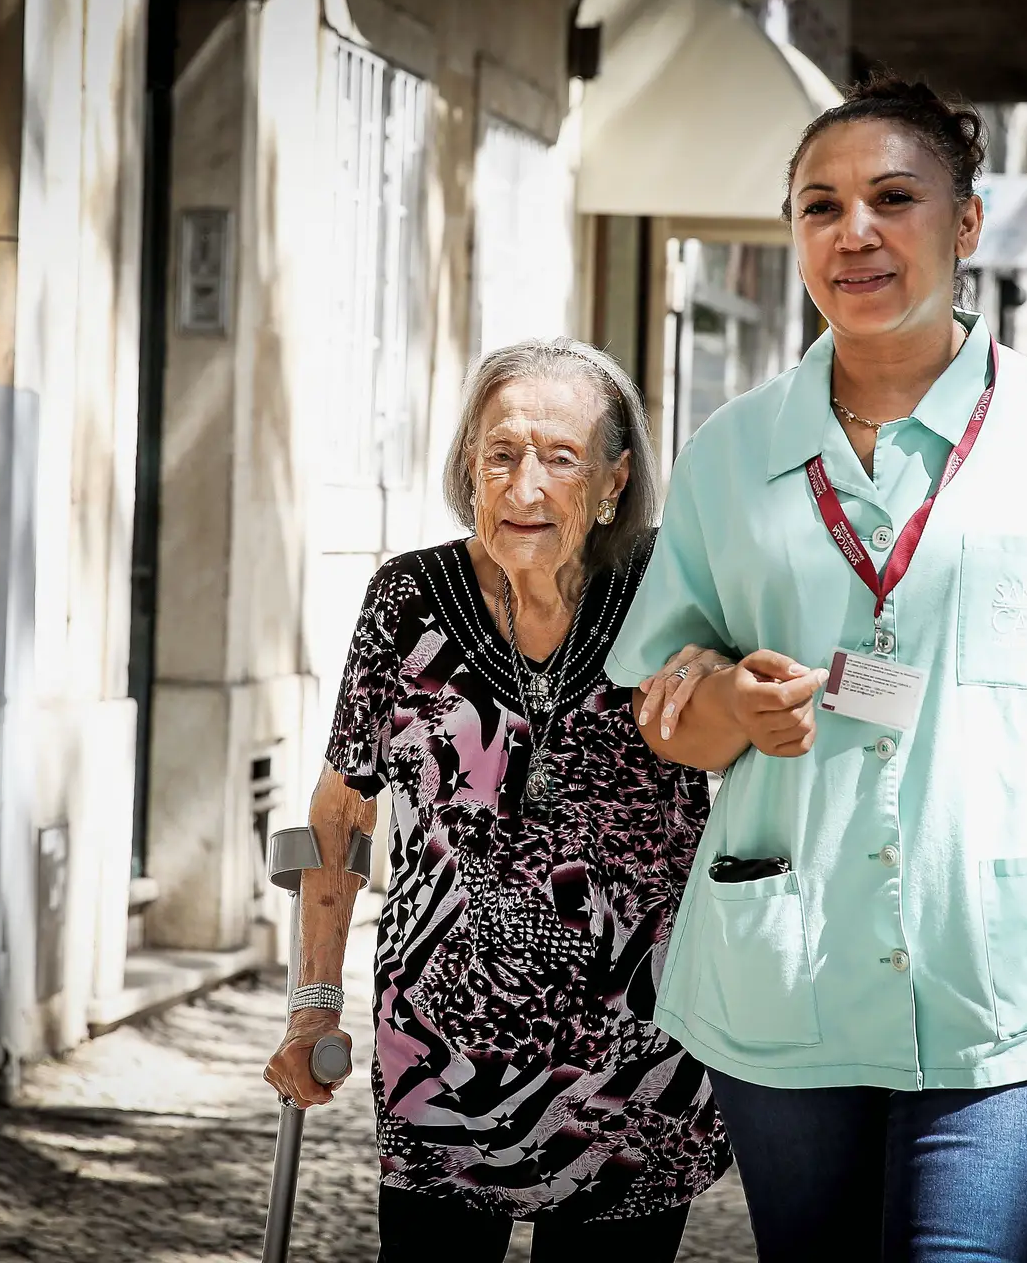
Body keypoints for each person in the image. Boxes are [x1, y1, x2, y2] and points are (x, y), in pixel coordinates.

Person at [606, 76, 1027, 1263]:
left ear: (967, 223)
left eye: (895, 197)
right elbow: (665, 713)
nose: (856, 232)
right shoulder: (730, 452)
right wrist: (729, 703)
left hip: (1012, 982)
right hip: (786, 971)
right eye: (819, 205)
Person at [264, 340, 729, 1262]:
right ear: (468, 466)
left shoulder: (671, 588)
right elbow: (343, 810)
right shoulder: (407, 600)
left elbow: (763, 722)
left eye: (559, 457)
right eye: (501, 454)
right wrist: (315, 1004)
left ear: (612, 477)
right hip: (443, 1056)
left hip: (638, 1058)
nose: (524, 486)